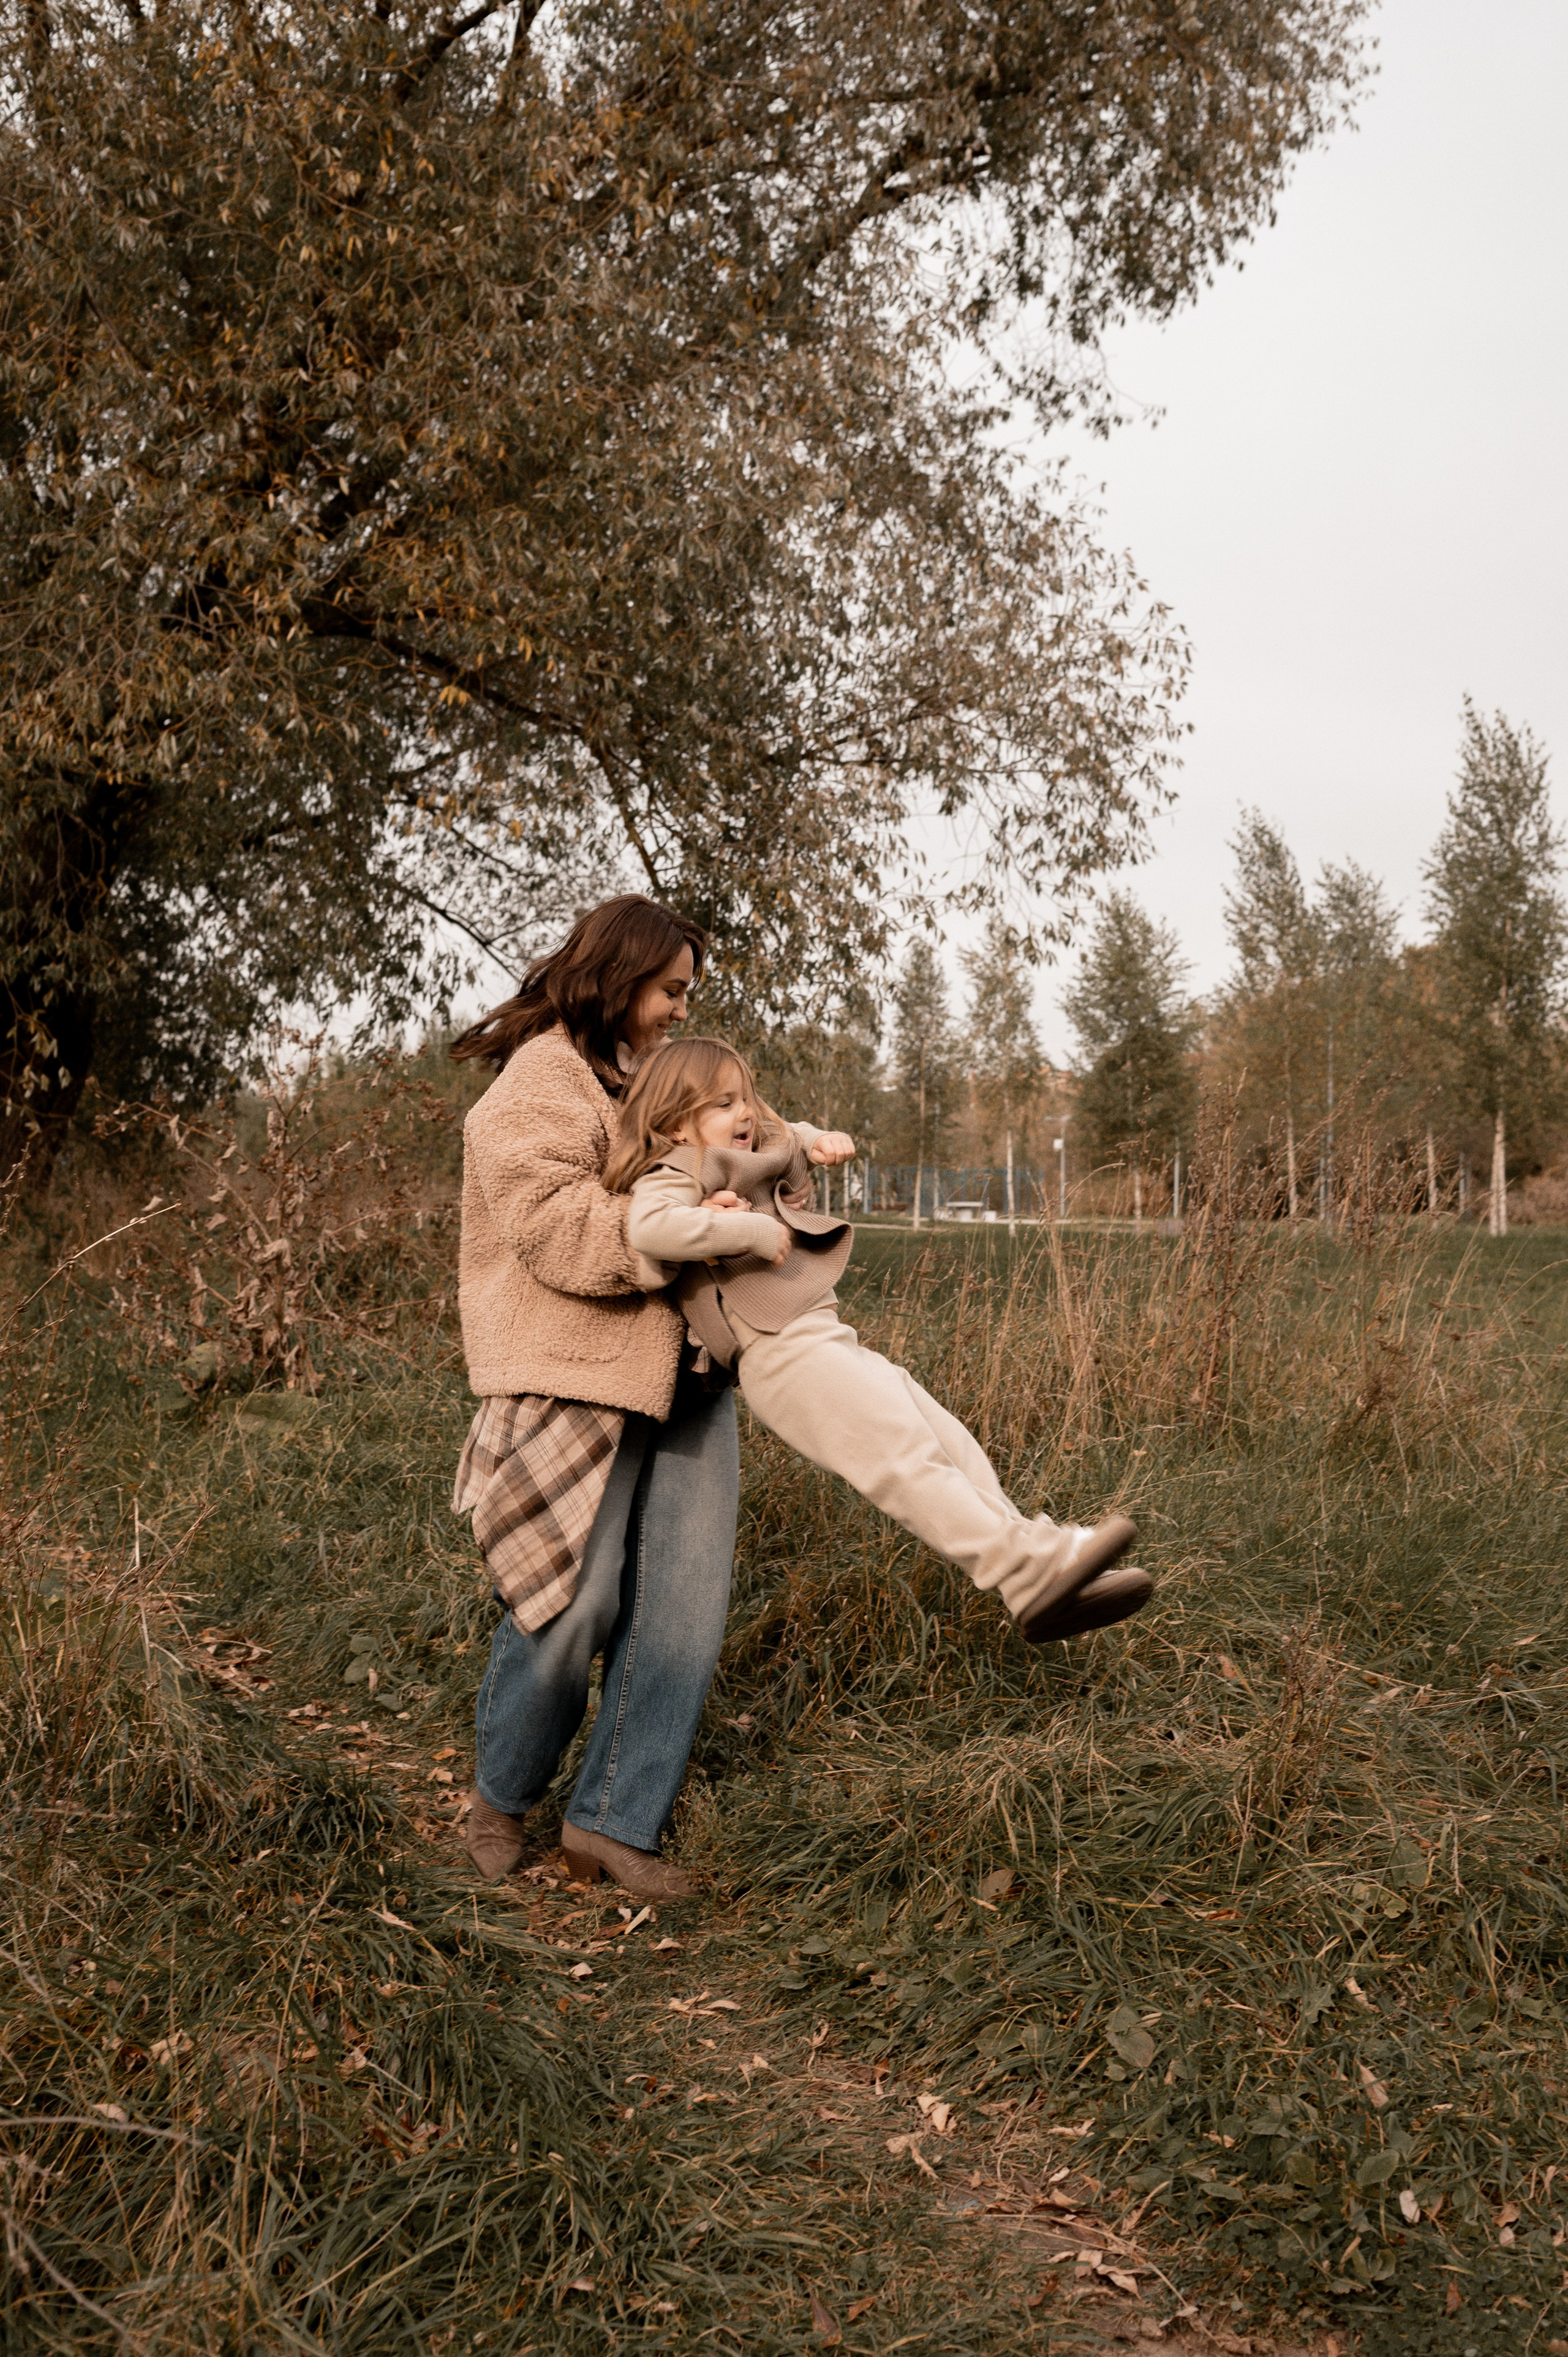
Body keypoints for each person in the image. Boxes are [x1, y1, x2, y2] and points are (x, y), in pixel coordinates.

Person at [448, 896, 842, 1900]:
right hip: (579, 1382)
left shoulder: (654, 1079)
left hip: (691, 1378)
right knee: (570, 1603)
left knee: (681, 1611)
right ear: (617, 977)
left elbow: (726, 1128)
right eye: (669, 990)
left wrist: (790, 1152)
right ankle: (499, 1797)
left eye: (686, 996)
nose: (678, 1009)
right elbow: (556, 1225)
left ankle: (612, 1825)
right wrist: (687, 1226)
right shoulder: (539, 1083)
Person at [605, 1035, 1152, 1642]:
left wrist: (815, 1141)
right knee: (900, 1456)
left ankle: (1036, 1563)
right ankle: (1022, 1567)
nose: (744, 1114)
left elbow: (787, 1134)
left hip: (823, 1338)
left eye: (745, 1099)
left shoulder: (752, 1147)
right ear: (675, 1122)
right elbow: (650, 1228)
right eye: (721, 1104)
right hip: (779, 1352)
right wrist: (747, 1230)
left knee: (944, 1437)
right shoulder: (676, 1169)